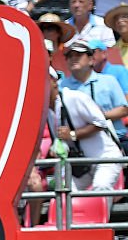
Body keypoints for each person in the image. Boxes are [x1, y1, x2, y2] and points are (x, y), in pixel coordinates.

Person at [47, 66, 123, 218]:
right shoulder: (45, 109)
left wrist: (73, 134)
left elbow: (100, 122)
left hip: (104, 157)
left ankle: (98, 230)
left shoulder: (73, 97)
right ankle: (70, 235)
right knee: (64, 192)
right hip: (79, 165)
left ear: (54, 82)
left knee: (101, 187)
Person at [61, 39, 128, 150]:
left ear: (91, 60)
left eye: (78, 55)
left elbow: (124, 109)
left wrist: (97, 117)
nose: (73, 58)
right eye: (69, 56)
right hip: (77, 146)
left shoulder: (108, 81)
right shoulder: (61, 86)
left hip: (114, 140)